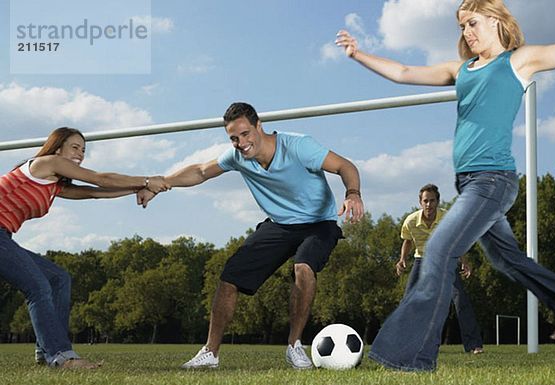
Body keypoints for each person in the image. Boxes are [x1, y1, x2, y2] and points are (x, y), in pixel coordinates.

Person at [336, 0, 555, 371]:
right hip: (470, 184)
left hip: (493, 181)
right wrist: (358, 53)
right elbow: (403, 70)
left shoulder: (518, 61)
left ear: (495, 20)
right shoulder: (460, 70)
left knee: (440, 250)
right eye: (461, 26)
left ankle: (409, 356)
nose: (466, 32)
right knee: (506, 258)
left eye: (472, 23)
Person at [139, 102, 364, 369]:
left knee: (303, 267)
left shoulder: (298, 146)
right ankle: (210, 353)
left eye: (246, 134)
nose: (241, 143)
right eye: (234, 138)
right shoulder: (238, 157)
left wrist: (352, 194)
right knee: (229, 277)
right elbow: (200, 171)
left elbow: (345, 166)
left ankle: (294, 346)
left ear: (259, 126)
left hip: (318, 223)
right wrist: (162, 183)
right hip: (279, 225)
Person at [0, 127, 170, 368]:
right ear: (58, 148)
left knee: (59, 278)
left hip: (4, 236)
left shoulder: (53, 186)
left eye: (83, 150)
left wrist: (139, 189)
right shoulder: (46, 163)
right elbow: (100, 178)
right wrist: (146, 180)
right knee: (37, 286)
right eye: (75, 147)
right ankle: (60, 355)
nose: (80, 153)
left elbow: (94, 193)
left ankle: (46, 350)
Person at [397, 184, 483, 354]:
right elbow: (407, 241)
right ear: (420, 202)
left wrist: (464, 262)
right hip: (421, 261)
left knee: (460, 301)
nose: (429, 205)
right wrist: (402, 260)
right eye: (425, 201)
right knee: (408, 302)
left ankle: (474, 345)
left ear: (437, 201)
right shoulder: (411, 221)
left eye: (432, 201)